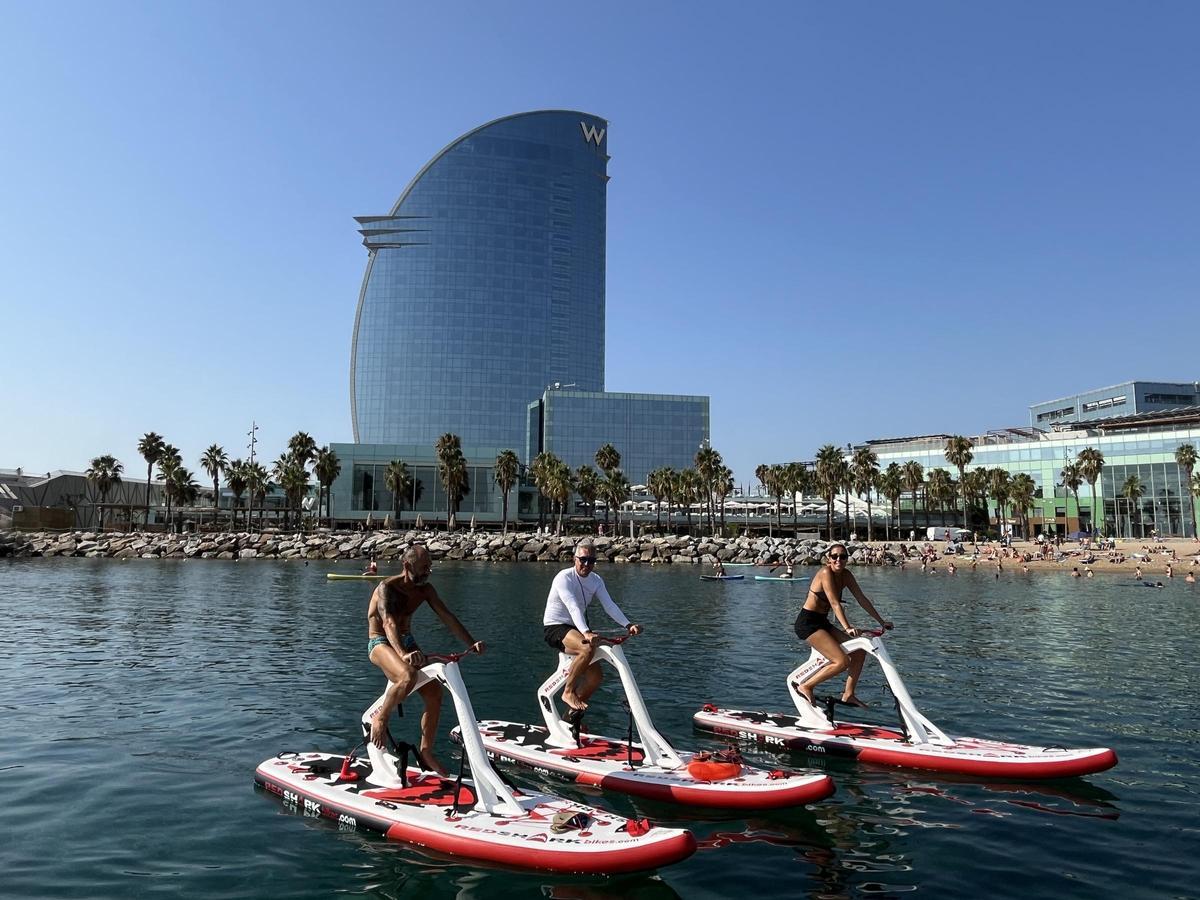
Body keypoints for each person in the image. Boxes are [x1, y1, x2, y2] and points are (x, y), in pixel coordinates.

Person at [366, 545, 485, 772]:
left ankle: (426, 752)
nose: (428, 572)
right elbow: (389, 623)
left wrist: (471, 643)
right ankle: (380, 719)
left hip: (407, 642)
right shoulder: (386, 588)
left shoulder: (425, 590)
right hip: (380, 641)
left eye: (429, 567)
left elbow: (447, 617)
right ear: (407, 566)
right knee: (408, 675)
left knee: (434, 692)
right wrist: (402, 654)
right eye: (423, 568)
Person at [543, 539, 641, 712]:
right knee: (587, 649)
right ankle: (567, 692)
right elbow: (572, 606)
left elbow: (609, 605)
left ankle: (569, 720)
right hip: (556, 627)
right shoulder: (563, 578)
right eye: (583, 560)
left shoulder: (596, 580)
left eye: (591, 561)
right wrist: (586, 632)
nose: (587, 564)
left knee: (595, 678)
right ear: (575, 559)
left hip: (577, 630)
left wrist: (628, 624)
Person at [793, 543, 893, 708]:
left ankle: (848, 694)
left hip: (822, 622)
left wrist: (882, 622)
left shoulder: (846, 575)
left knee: (859, 653)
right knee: (842, 661)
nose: (838, 559)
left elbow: (862, 599)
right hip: (808, 623)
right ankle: (806, 686)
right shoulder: (825, 573)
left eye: (843, 556)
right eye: (834, 556)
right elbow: (834, 603)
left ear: (847, 559)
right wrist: (847, 627)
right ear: (829, 559)